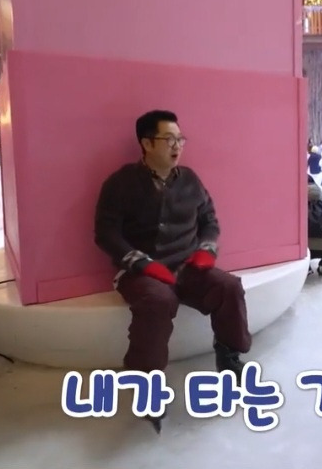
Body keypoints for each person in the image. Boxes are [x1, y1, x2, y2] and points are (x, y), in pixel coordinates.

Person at [94, 110, 251, 432]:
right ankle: (146, 381)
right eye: (169, 139)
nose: (177, 146)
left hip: (187, 266)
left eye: (180, 139)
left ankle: (229, 355)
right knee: (158, 301)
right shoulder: (121, 183)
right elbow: (106, 233)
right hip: (140, 272)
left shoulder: (190, 179)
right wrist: (142, 262)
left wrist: (206, 250)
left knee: (229, 286)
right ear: (147, 143)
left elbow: (210, 220)